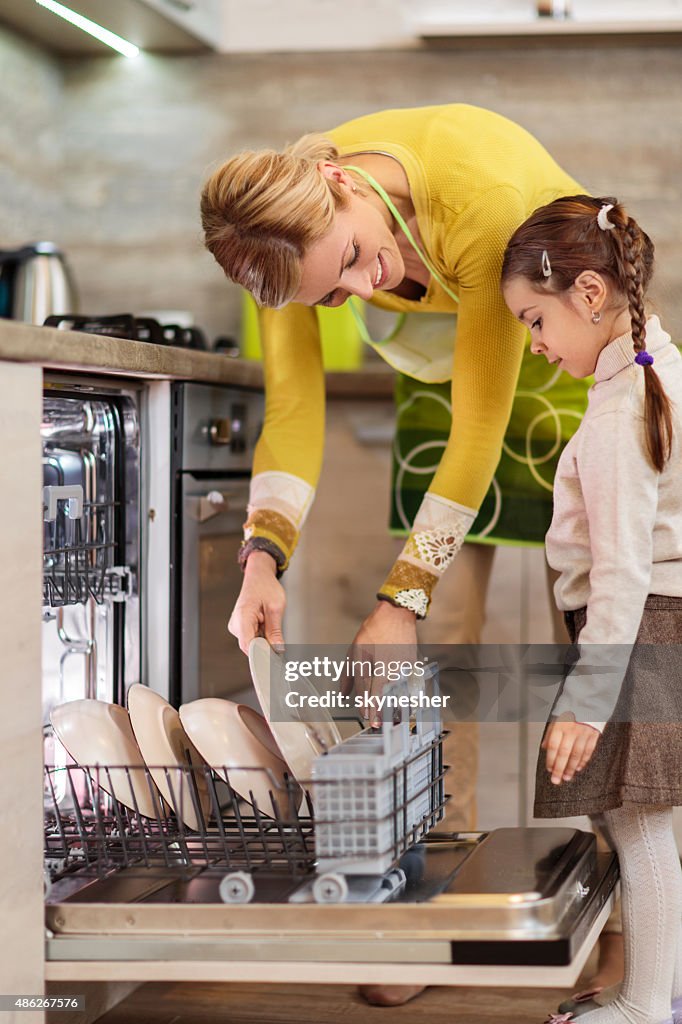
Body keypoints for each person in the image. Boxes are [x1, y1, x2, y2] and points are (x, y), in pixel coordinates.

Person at [199, 104, 616, 1005]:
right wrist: (262, 561)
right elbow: (294, 414)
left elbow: (484, 423)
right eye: (334, 294)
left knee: (594, 649)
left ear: (343, 183)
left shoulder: (481, 200)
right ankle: (430, 914)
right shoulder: (277, 241)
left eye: (351, 259)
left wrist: (399, 597)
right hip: (442, 377)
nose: (359, 285)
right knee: (431, 672)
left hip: (563, 367)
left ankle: (622, 913)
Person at [501, 194, 682, 1024]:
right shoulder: (659, 374)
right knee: (657, 823)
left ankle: (644, 1007)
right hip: (654, 628)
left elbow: (620, 568)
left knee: (636, 822)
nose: (535, 346)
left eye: (535, 321)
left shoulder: (619, 413)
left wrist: (585, 697)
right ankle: (657, 993)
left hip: (635, 631)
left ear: (587, 292)